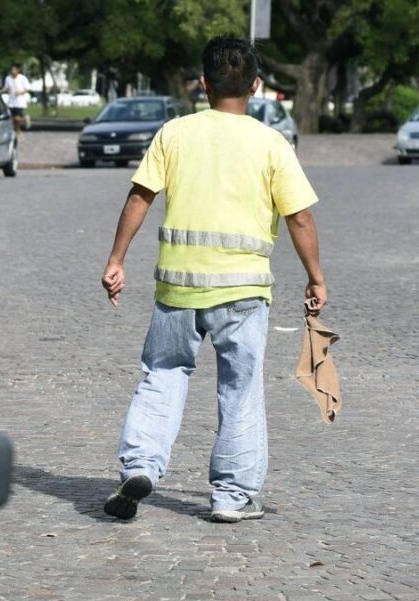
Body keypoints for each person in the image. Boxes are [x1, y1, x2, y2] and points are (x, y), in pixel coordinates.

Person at [100, 36, 326, 524]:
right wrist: (315, 278)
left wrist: (117, 258)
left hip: (177, 291)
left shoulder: (174, 134)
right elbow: (300, 218)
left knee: (161, 377)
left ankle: (139, 465)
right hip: (244, 293)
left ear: (202, 84)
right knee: (239, 388)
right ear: (257, 86)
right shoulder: (271, 143)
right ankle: (232, 495)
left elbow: (139, 197)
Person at [1, 64, 30, 137]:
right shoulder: (8, 78)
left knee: (18, 118)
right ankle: (18, 131)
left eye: (14, 70)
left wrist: (20, 92)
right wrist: (2, 91)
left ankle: (26, 118)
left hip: (20, 102)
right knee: (13, 118)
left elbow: (27, 88)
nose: (12, 71)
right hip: (11, 101)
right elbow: (6, 88)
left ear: (18, 70)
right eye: (12, 70)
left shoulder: (22, 78)